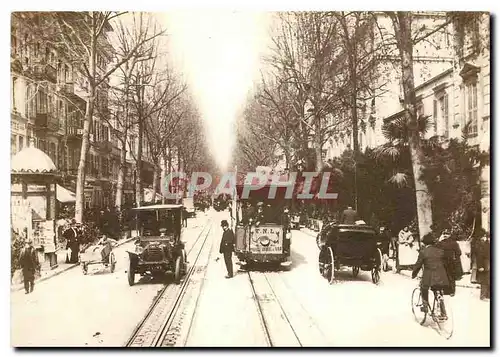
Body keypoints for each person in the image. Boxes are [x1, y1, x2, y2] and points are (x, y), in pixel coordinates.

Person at [412, 233, 450, 316]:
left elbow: (418, 265)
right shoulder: (440, 251)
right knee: (438, 291)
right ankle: (443, 312)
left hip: (429, 276)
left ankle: (425, 306)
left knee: (423, 288)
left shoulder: (423, 252)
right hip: (441, 275)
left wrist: (414, 274)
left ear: (425, 243)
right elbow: (446, 263)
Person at [435, 228, 463, 296]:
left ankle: (452, 291)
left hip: (451, 262)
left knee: (451, 277)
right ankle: (446, 291)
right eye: (444, 234)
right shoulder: (440, 243)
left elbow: (458, 252)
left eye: (447, 234)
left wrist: (455, 260)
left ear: (450, 235)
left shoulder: (454, 243)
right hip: (442, 262)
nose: (445, 235)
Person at [476, 232, 490, 300]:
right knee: (484, 281)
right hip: (485, 265)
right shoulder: (483, 245)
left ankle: (488, 295)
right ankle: (483, 296)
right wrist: (480, 266)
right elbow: (479, 257)